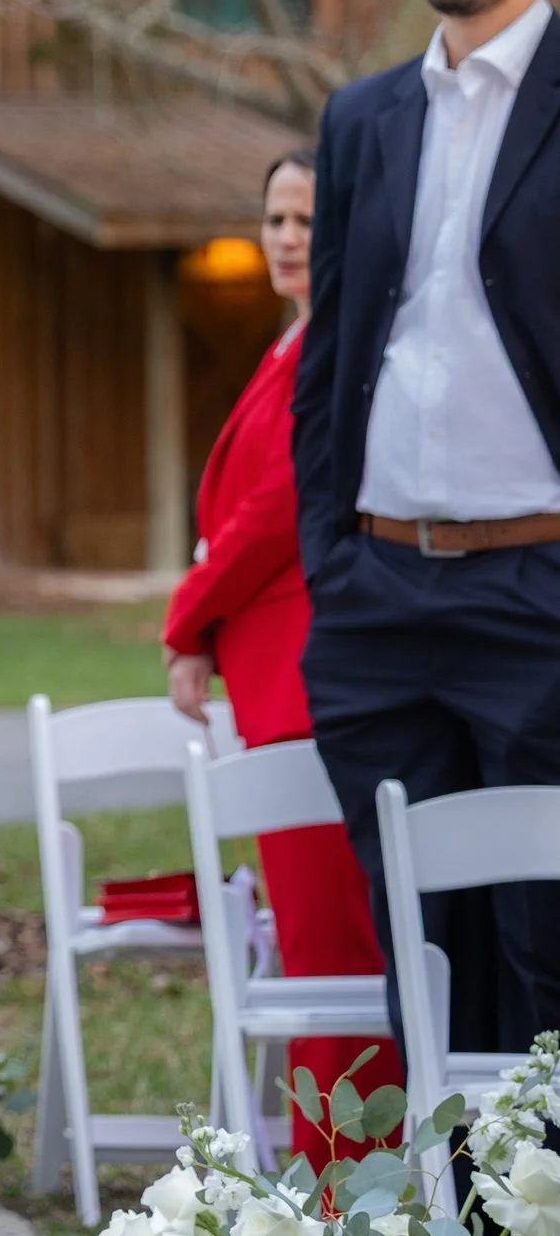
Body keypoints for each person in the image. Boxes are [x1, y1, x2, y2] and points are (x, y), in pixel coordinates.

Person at [296, 0, 560, 1061]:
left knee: (547, 942)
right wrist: (329, 562)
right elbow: (332, 354)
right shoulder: (361, 120)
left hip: (539, 587)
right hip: (379, 598)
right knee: (424, 940)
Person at [165, 151, 400, 1165]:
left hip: (311, 681)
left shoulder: (333, 351)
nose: (288, 235)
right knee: (314, 946)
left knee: (328, 953)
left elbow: (275, 517)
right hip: (270, 680)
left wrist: (184, 616)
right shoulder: (286, 347)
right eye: (274, 216)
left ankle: (346, 1194)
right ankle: (332, 1185)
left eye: (307, 217)